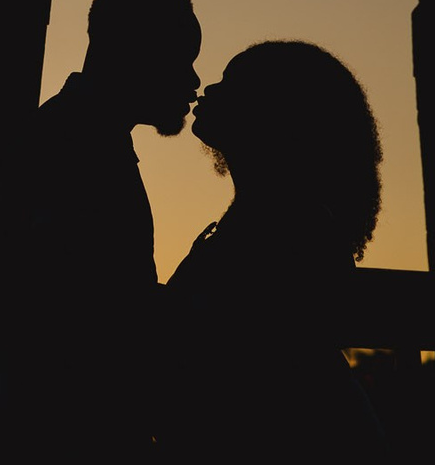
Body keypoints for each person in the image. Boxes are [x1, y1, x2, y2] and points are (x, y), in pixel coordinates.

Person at [159, 40, 388, 451]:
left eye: (232, 83)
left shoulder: (291, 231)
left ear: (273, 114)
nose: (210, 89)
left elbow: (246, 375)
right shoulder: (273, 220)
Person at [10, 0, 202, 451]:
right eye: (182, 59)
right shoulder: (73, 148)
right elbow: (93, 317)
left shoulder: (78, 136)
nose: (194, 80)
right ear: (134, 52)